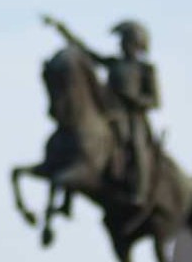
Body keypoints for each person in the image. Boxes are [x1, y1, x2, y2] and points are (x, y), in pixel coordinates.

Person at [41, 16, 161, 209]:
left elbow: (154, 101)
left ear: (136, 44)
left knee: (138, 148)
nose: (122, 45)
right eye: (121, 42)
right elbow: (86, 51)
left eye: (126, 41)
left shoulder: (145, 69)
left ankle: (139, 191)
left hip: (133, 119)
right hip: (110, 114)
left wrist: (133, 100)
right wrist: (62, 30)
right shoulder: (114, 63)